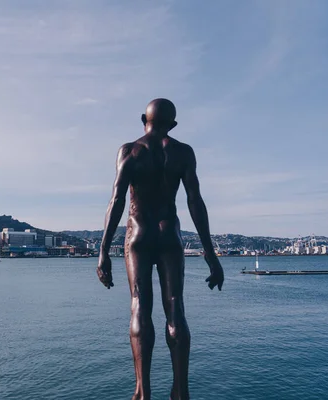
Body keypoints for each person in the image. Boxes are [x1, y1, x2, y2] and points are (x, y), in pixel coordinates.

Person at [97, 99, 224, 400]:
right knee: (175, 310)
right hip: (169, 234)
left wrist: (103, 250)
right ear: (173, 124)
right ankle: (180, 391)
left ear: (144, 119)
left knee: (140, 306)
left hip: (138, 233)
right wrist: (210, 253)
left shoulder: (129, 151)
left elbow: (116, 201)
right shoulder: (182, 152)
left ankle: (142, 392)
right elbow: (195, 202)